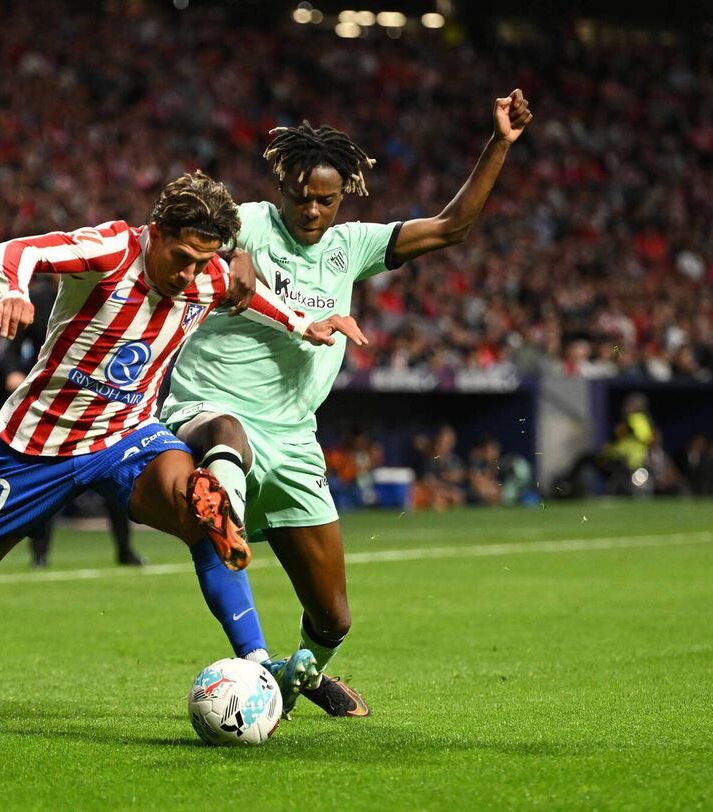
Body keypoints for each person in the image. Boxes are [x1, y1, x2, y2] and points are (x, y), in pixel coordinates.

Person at [0, 171, 367, 716]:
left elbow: (246, 297)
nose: (189, 274)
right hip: (40, 445)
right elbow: (17, 249)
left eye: (202, 261)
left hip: (127, 433)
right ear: (155, 233)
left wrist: (304, 324)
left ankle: (258, 662)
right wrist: (13, 291)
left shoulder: (206, 275)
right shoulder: (111, 250)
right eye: (180, 257)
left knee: (206, 518)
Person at [162, 91, 534, 717]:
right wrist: (238, 257)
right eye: (301, 195)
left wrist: (500, 141)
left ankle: (298, 676)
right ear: (282, 186)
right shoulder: (249, 220)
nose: (310, 209)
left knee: (333, 617)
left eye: (325, 199)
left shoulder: (350, 247)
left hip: (294, 438)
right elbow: (210, 245)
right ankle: (252, 658)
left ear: (344, 197)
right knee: (221, 486)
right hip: (208, 411)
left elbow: (451, 227)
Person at [0, 275, 145, 567]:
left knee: (114, 479)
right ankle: (39, 554)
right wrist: (12, 373)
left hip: (97, 402)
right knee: (46, 481)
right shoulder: (39, 299)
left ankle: (125, 548)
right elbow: (12, 350)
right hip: (53, 401)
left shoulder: (108, 291)